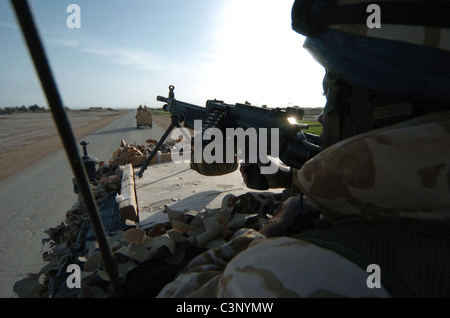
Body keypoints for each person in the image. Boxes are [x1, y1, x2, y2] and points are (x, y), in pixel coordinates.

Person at [157, 0, 450, 297]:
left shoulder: (295, 272)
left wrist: (270, 230)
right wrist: (289, 179)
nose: (323, 117)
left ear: (383, 106)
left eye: (335, 98)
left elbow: (182, 297)